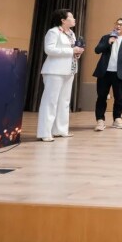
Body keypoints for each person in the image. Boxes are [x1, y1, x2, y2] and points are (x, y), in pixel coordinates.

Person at [36, 9, 85, 142]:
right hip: (54, 71)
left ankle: (60, 130)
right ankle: (45, 132)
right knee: (50, 101)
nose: (74, 19)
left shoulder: (72, 33)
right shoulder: (53, 32)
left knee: (64, 101)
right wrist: (71, 50)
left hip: (69, 70)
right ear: (63, 20)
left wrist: (77, 53)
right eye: (71, 17)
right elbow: (49, 49)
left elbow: (72, 50)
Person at [92, 18, 122, 131]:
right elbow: (97, 50)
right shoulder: (106, 37)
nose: (119, 26)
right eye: (117, 24)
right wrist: (108, 42)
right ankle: (100, 120)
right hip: (104, 73)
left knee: (119, 98)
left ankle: (117, 119)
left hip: (119, 74)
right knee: (101, 97)